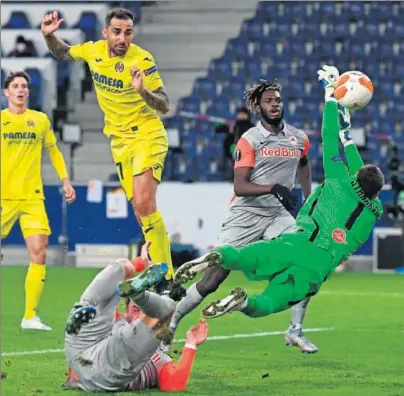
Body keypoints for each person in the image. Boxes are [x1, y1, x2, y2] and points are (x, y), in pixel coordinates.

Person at [174, 65, 384, 322]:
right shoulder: (375, 211)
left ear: (355, 177)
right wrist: (349, 137)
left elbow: (329, 139)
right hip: (318, 266)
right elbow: (363, 176)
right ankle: (244, 303)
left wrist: (331, 99)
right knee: (271, 302)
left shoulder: (339, 180)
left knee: (247, 257)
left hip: (298, 242)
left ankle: (218, 255)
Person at [169, 79, 317, 353]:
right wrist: (273, 188)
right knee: (213, 279)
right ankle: (171, 324)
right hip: (246, 214)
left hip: (277, 215)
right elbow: (240, 186)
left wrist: (307, 201)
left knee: (304, 262)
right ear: (258, 108)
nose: (275, 104)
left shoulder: (299, 138)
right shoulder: (250, 140)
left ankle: (295, 330)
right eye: (269, 101)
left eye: (278, 100)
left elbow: (305, 165)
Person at [41, 8, 175, 284]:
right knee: (141, 212)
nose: (122, 38)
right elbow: (63, 53)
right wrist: (49, 37)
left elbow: (163, 104)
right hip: (120, 142)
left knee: (144, 202)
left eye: (127, 32)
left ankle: (167, 276)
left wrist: (142, 91)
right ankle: (155, 265)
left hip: (146, 135)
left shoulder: (142, 59)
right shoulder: (93, 51)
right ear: (105, 33)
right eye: (116, 32)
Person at [63, 241, 208, 392]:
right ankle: (86, 303)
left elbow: (174, 385)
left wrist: (191, 345)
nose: (139, 314)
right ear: (126, 309)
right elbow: (110, 280)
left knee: (168, 309)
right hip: (79, 350)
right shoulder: (114, 320)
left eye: (143, 310)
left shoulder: (158, 357)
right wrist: (140, 264)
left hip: (103, 374)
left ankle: (138, 293)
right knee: (124, 266)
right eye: (135, 309)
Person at [1, 71, 76, 330]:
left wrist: (65, 180)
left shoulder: (40, 120)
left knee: (39, 252)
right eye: (15, 86)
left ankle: (30, 316)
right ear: (6, 92)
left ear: (28, 92)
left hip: (33, 198)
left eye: (24, 86)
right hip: (4, 197)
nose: (20, 90)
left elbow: (53, 151)